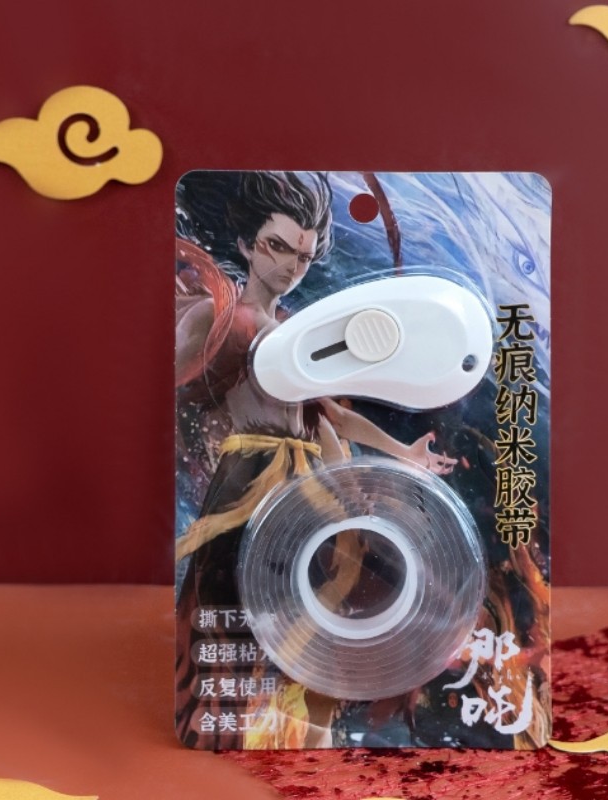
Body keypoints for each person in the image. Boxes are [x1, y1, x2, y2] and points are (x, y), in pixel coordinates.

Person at [174, 171, 455, 749]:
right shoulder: (218, 317)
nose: (290, 266)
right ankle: (224, 727)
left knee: (319, 615)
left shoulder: (298, 334)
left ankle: (305, 733)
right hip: (249, 479)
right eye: (277, 247)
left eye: (302, 256)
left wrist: (402, 452)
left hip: (306, 485)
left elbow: (330, 416)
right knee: (231, 607)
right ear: (247, 244)